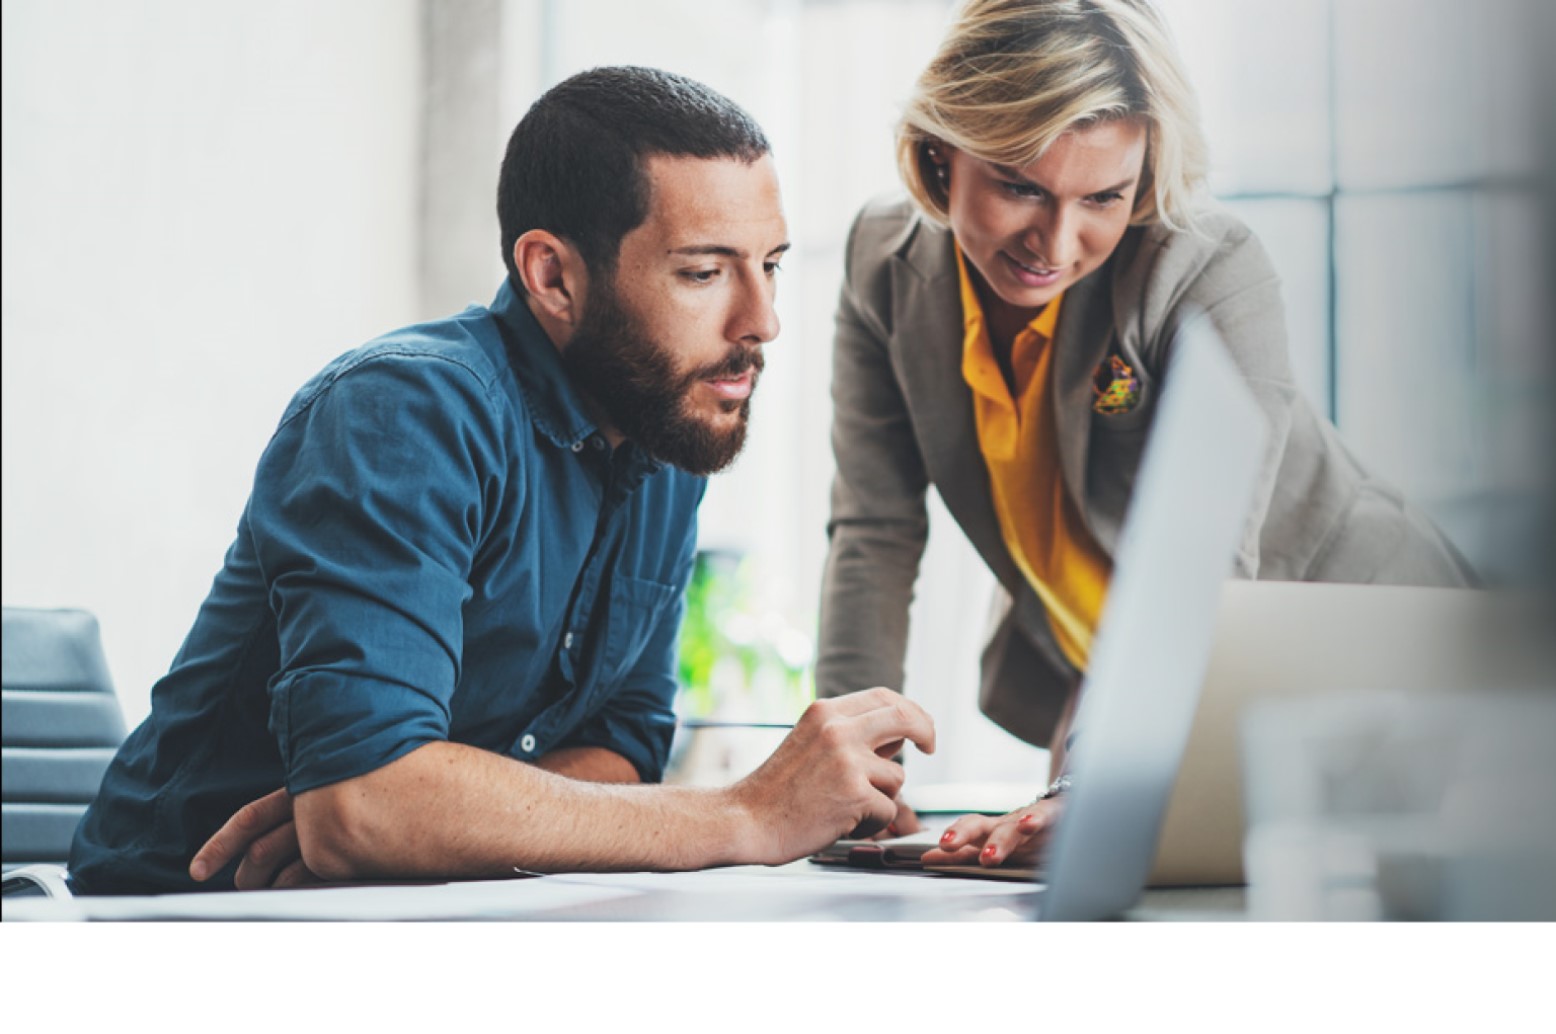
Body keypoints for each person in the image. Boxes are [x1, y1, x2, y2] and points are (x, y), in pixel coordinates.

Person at [68, 66, 933, 895]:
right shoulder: (403, 411)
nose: (763, 321)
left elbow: (620, 746)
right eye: (704, 273)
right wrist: (744, 815)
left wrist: (428, 820)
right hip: (181, 915)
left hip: (421, 914)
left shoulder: (664, 431)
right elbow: (363, 808)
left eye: (770, 265)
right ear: (553, 275)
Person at [813, 0, 1472, 870]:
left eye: (1104, 197)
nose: (1056, 240)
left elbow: (1200, 579)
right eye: (1020, 185)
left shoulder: (1205, 270)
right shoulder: (881, 263)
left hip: (1371, 660)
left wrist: (1088, 785)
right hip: (1120, 681)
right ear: (943, 150)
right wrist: (854, 779)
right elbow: (874, 534)